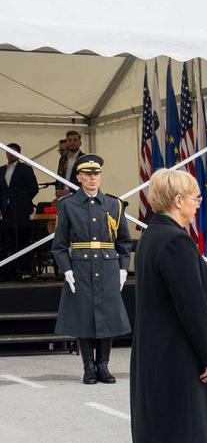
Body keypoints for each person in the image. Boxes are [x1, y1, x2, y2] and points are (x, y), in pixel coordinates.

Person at [130, 169, 207, 443]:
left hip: (157, 351)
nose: (199, 204)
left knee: (167, 432)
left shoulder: (153, 235)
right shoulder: (174, 242)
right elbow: (193, 305)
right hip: (175, 352)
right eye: (195, 197)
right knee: (177, 433)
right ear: (177, 200)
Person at [51, 154, 131, 384]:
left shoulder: (114, 204)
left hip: (107, 267)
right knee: (84, 316)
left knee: (107, 317)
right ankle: (88, 366)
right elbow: (59, 245)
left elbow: (124, 242)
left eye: (96, 174)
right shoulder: (68, 205)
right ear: (79, 177)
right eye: (87, 174)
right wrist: (66, 270)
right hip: (81, 268)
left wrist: (123, 269)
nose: (93, 178)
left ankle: (103, 365)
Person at [0, 143, 40, 277]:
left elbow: (34, 188)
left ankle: (23, 268)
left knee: (22, 238)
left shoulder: (25, 169)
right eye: (8, 152)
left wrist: (23, 202)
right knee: (9, 239)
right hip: (7, 210)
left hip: (21, 209)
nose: (10, 154)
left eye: (13, 152)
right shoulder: (1, 170)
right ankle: (10, 269)